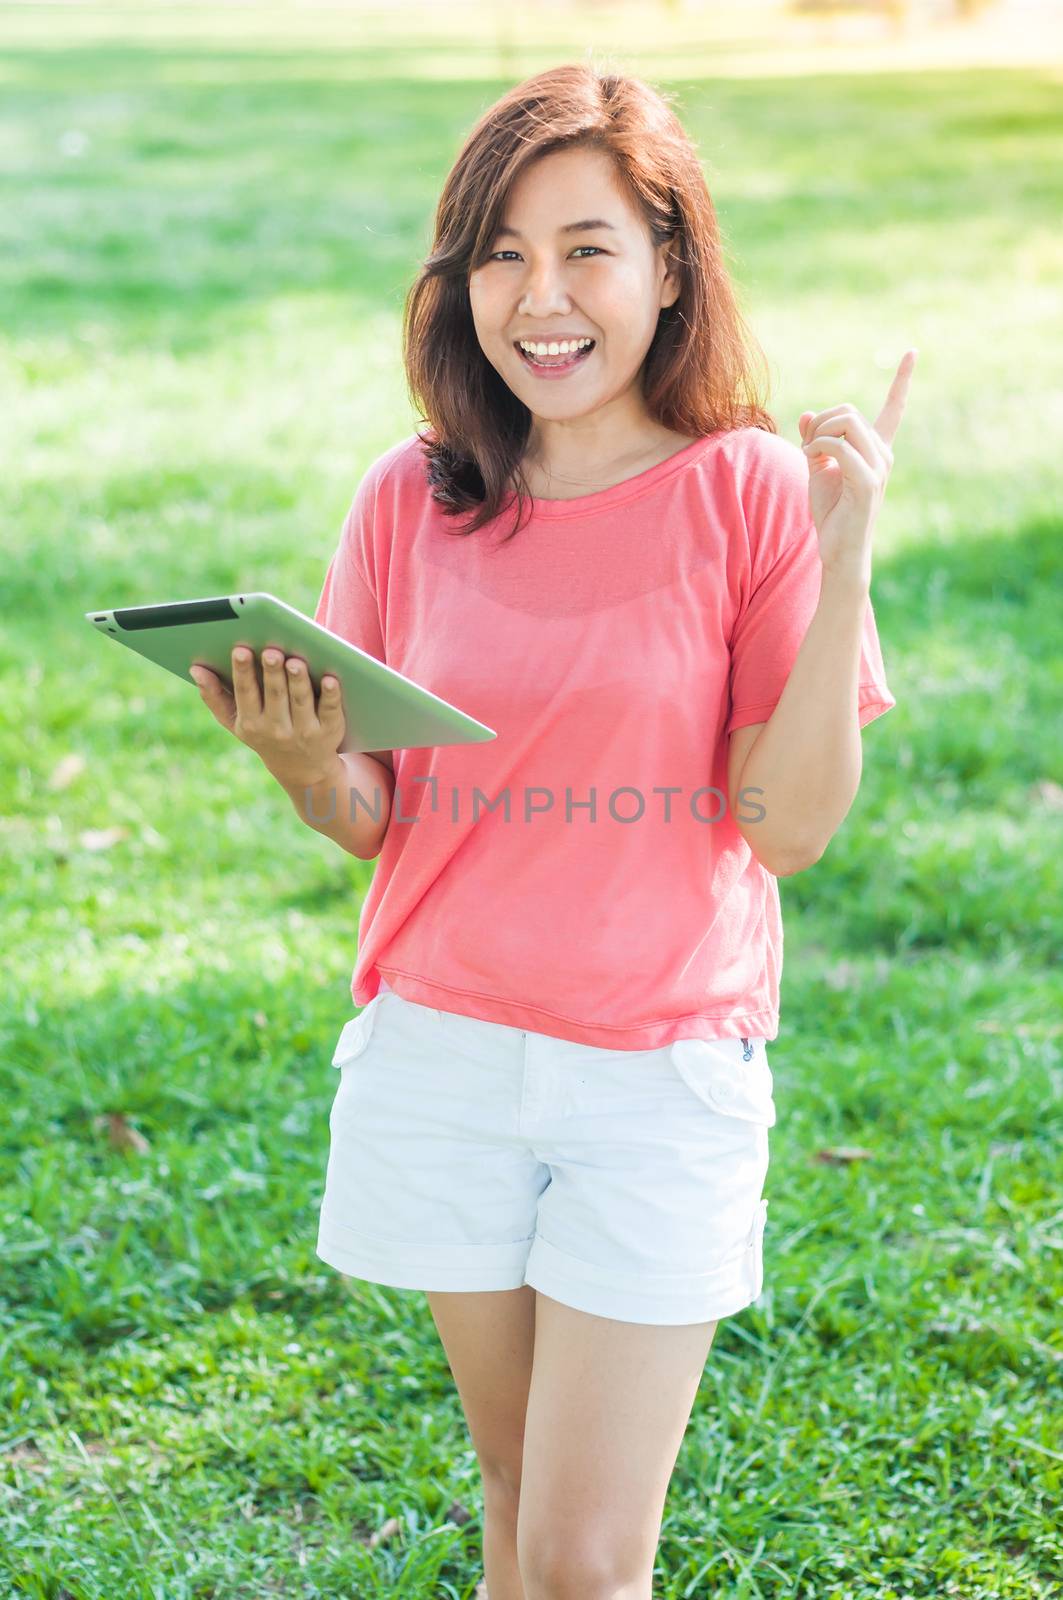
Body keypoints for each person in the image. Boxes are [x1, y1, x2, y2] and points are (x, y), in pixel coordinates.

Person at [191, 62, 912, 1600]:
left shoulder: (749, 493)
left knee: (587, 1559)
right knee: (514, 1500)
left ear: (669, 266)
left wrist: (843, 560)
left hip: (655, 1078)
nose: (541, 295)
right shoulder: (413, 497)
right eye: (502, 251)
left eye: (586, 246)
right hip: (442, 1055)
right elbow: (371, 816)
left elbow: (784, 830)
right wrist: (300, 760)